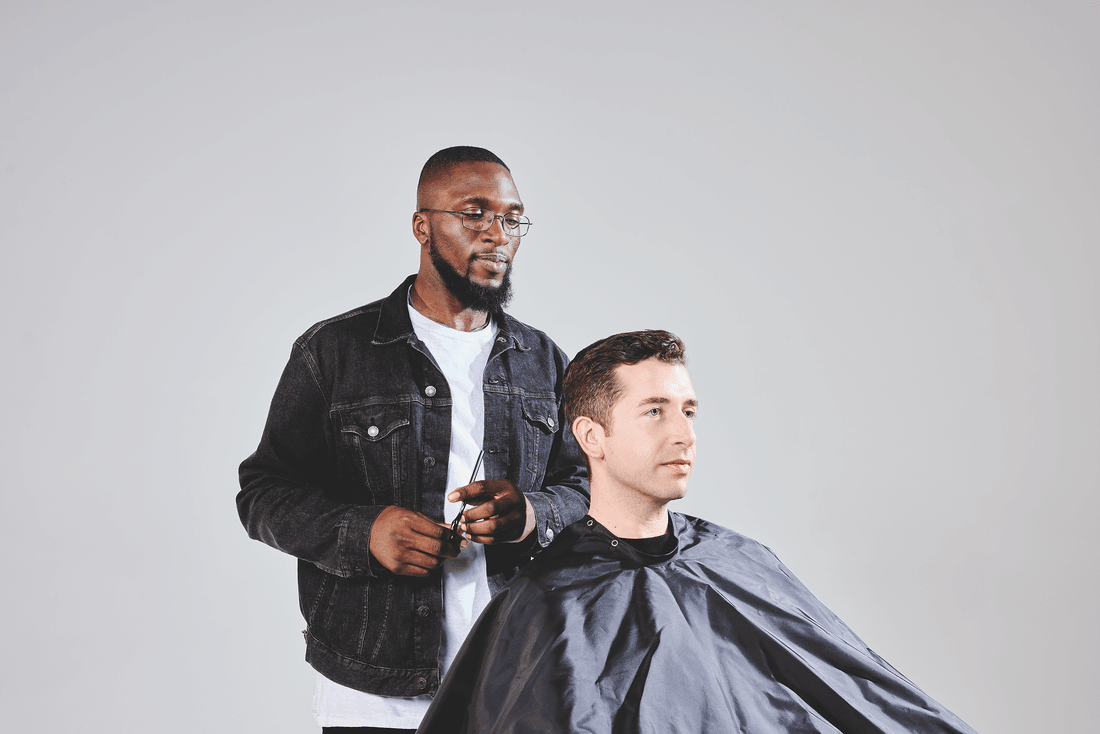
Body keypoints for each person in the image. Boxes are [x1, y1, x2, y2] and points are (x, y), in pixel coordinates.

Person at [417, 330, 978, 734]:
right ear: (592, 436)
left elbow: (862, 690)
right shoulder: (545, 604)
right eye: (655, 412)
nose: (683, 435)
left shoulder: (738, 559)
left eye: (689, 410)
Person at [237, 146, 589, 733]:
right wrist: (363, 532)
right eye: (474, 214)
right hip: (375, 685)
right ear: (422, 227)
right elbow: (263, 494)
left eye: (511, 218)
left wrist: (533, 513)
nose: (497, 235)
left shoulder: (544, 361)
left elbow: (587, 489)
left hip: (519, 677)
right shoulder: (335, 352)